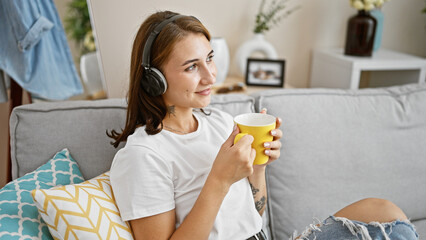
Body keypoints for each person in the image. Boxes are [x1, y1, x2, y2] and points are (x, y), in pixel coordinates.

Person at [108, 10, 419, 240]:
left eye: (210, 58)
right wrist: (218, 180)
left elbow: (253, 215)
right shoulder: (144, 155)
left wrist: (258, 167)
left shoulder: (219, 123)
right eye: (192, 66)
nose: (211, 75)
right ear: (154, 79)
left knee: (384, 212)